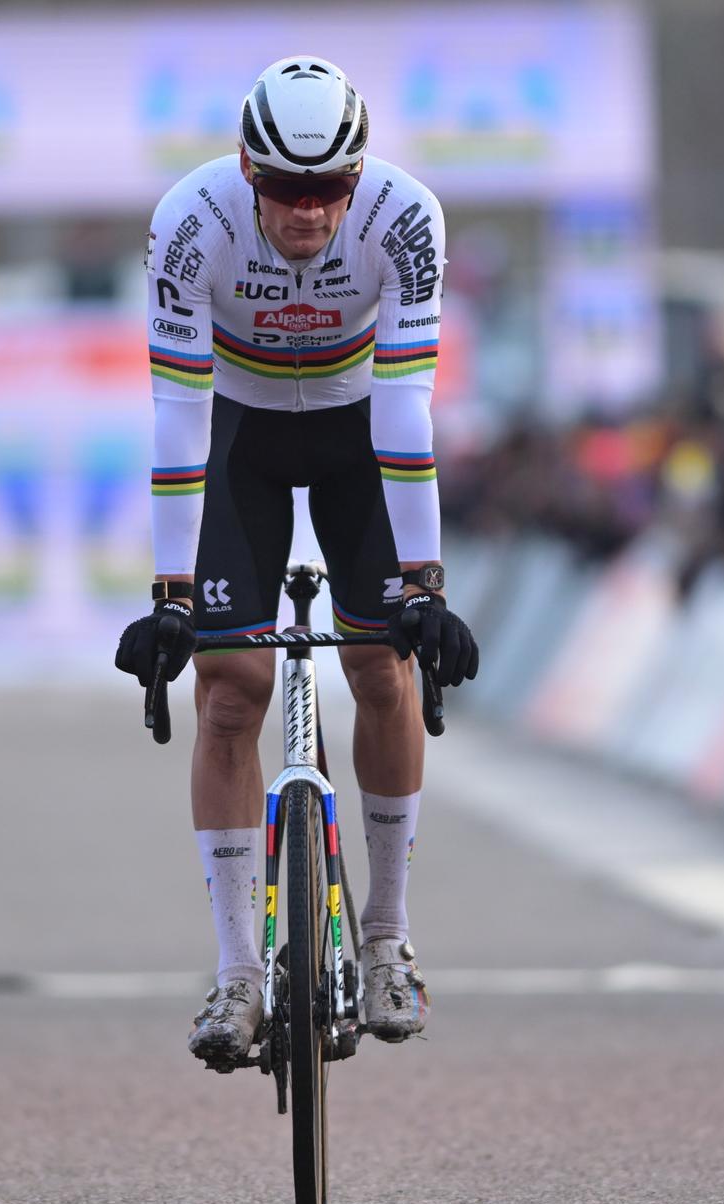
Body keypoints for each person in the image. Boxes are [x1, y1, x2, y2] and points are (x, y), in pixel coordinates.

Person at [114, 56, 480, 1063]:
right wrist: (171, 593)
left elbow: (408, 408)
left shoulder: (407, 216)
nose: (310, 212)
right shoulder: (192, 222)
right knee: (230, 689)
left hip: (361, 424)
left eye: (330, 190)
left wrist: (425, 584)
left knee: (381, 664)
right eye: (285, 189)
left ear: (360, 177)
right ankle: (236, 975)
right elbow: (180, 410)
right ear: (246, 169)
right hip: (241, 433)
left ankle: (386, 939)